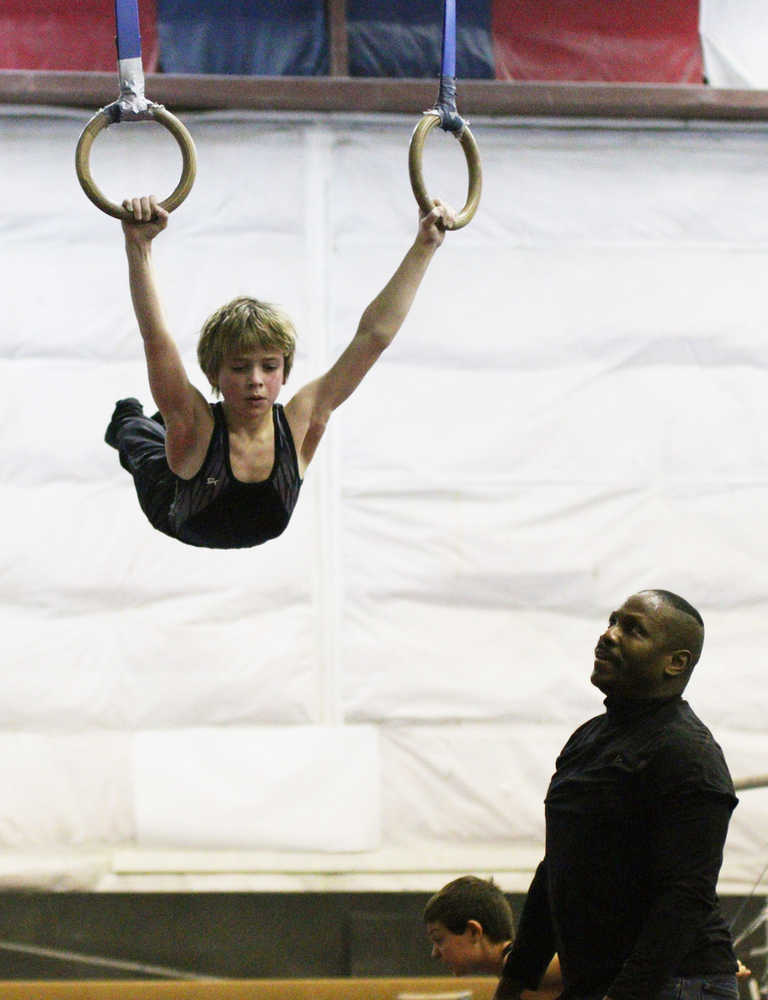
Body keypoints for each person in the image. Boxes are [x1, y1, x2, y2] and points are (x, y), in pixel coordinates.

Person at [105, 194, 454, 548]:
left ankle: (143, 419)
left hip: (207, 481)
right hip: (170, 503)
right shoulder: (193, 426)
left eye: (269, 366)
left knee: (162, 420)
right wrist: (138, 245)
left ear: (285, 372)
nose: (255, 380)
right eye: (240, 368)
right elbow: (156, 338)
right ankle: (129, 416)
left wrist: (425, 246)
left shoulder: (302, 421)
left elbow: (373, 337)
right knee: (135, 430)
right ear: (213, 375)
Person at [495, 589, 740, 1000]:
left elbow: (685, 895)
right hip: (603, 982)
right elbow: (558, 866)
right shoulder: (586, 739)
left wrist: (624, 995)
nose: (608, 635)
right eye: (611, 621)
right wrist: (515, 979)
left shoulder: (687, 753)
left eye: (633, 629)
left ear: (675, 662)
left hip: (677, 984)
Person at [424, 875, 561, 996]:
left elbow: (578, 963)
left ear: (474, 932)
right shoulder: (512, 973)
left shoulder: (523, 965)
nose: (434, 953)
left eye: (439, 939)